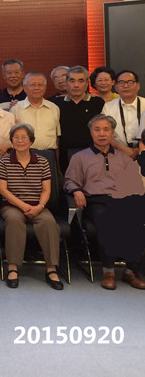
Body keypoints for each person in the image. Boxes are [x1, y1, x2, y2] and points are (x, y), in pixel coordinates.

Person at [64, 114, 145, 290]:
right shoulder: (80, 157)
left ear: (112, 133)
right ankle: (109, 272)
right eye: (97, 129)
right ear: (91, 132)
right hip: (96, 201)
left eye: (106, 129)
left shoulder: (124, 158)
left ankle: (131, 271)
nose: (102, 133)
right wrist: (77, 191)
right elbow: (69, 181)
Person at [0, 123, 63, 290]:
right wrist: (23, 205)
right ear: (11, 141)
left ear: (31, 141)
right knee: (13, 220)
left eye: (24, 138)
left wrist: (39, 206)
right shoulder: (4, 161)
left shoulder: (42, 161)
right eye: (16, 138)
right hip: (12, 205)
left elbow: (47, 189)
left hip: (38, 206)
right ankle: (13, 267)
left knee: (49, 222)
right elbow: (3, 190)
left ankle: (51, 269)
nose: (20, 141)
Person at [52, 66, 105, 172]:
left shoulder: (97, 103)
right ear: (67, 83)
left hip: (93, 153)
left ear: (86, 84)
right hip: (65, 155)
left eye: (81, 81)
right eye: (72, 81)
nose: (76, 85)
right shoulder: (56, 104)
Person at [10, 73, 60, 154]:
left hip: (49, 154)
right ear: (25, 88)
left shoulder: (54, 108)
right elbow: (11, 136)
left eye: (40, 85)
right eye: (32, 85)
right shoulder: (16, 109)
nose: (36, 88)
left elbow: (57, 136)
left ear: (45, 87)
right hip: (24, 154)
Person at [100, 70, 143, 159]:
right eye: (121, 82)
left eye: (130, 82)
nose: (125, 86)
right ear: (116, 87)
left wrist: (141, 150)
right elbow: (104, 132)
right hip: (117, 155)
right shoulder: (108, 107)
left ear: (138, 85)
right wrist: (123, 149)